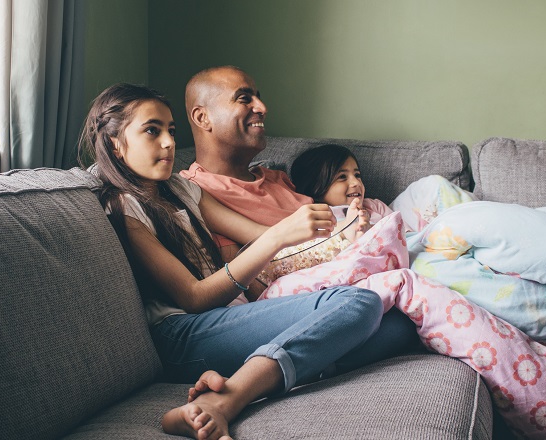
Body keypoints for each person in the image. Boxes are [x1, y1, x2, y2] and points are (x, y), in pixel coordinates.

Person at [78, 83, 421, 440]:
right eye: (152, 130)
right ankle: (226, 402)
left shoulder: (182, 189)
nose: (167, 142)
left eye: (171, 131)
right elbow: (194, 298)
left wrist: (339, 230)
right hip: (182, 335)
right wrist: (278, 236)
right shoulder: (122, 208)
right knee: (359, 302)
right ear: (116, 143)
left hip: (227, 319)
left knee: (400, 324)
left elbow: (256, 232)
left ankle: (269, 370)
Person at [290, 143, 398, 238]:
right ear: (315, 187)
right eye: (342, 177)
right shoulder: (316, 216)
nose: (356, 182)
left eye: (357, 175)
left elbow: (405, 233)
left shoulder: (375, 206)